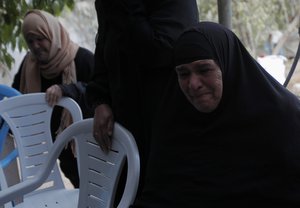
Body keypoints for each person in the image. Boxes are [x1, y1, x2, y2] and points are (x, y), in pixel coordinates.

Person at [132, 22, 300, 207]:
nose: (193, 83)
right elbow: (160, 194)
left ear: (227, 65)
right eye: (183, 74)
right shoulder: (175, 122)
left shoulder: (282, 120)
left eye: (204, 70)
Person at [86, 0, 199, 198]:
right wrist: (100, 100)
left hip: (167, 127)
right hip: (125, 129)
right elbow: (105, 48)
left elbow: (160, 51)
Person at [12, 9, 94, 188]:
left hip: (88, 146)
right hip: (59, 150)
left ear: (52, 35)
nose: (35, 46)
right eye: (30, 41)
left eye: (40, 39)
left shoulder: (82, 59)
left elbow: (99, 91)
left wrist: (65, 89)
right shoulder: (29, 65)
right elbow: (14, 99)